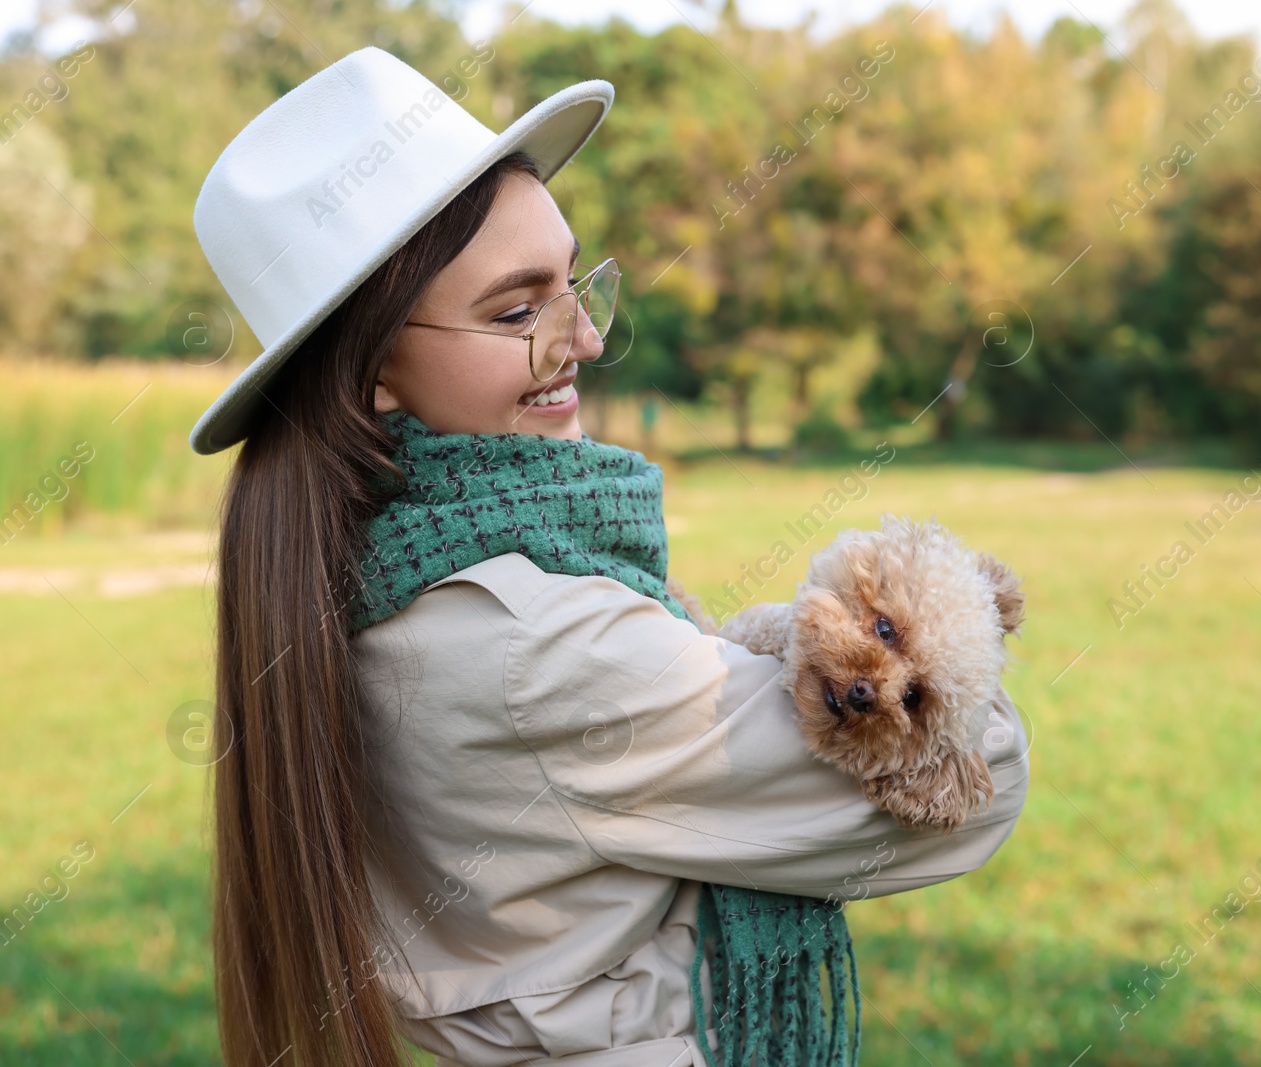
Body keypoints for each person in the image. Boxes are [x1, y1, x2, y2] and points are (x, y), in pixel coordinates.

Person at [190, 45, 1030, 1067]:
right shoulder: (529, 638)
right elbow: (978, 766)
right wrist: (928, 606)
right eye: (517, 311)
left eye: (576, 284)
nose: (582, 337)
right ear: (369, 377)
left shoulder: (372, 569)